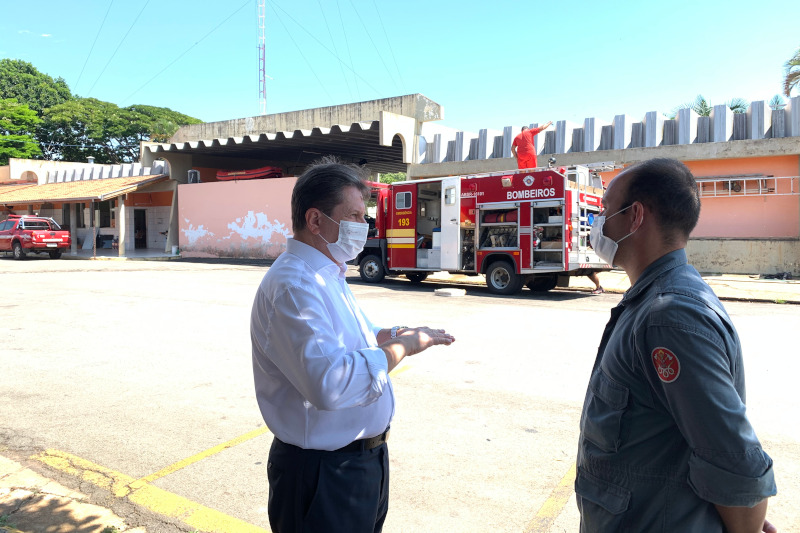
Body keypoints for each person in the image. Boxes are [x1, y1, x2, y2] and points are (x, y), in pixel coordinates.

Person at [250, 158, 455, 533]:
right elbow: (331, 383)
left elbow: (344, 337)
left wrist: (387, 334)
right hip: (322, 475)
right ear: (315, 221)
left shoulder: (327, 272)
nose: (366, 225)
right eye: (356, 216)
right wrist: (403, 347)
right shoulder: (295, 285)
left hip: (360, 465)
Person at [576, 158, 777, 533]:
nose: (597, 222)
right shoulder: (656, 300)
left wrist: (744, 522)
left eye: (604, 210)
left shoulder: (668, 316)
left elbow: (737, 465)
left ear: (635, 216)